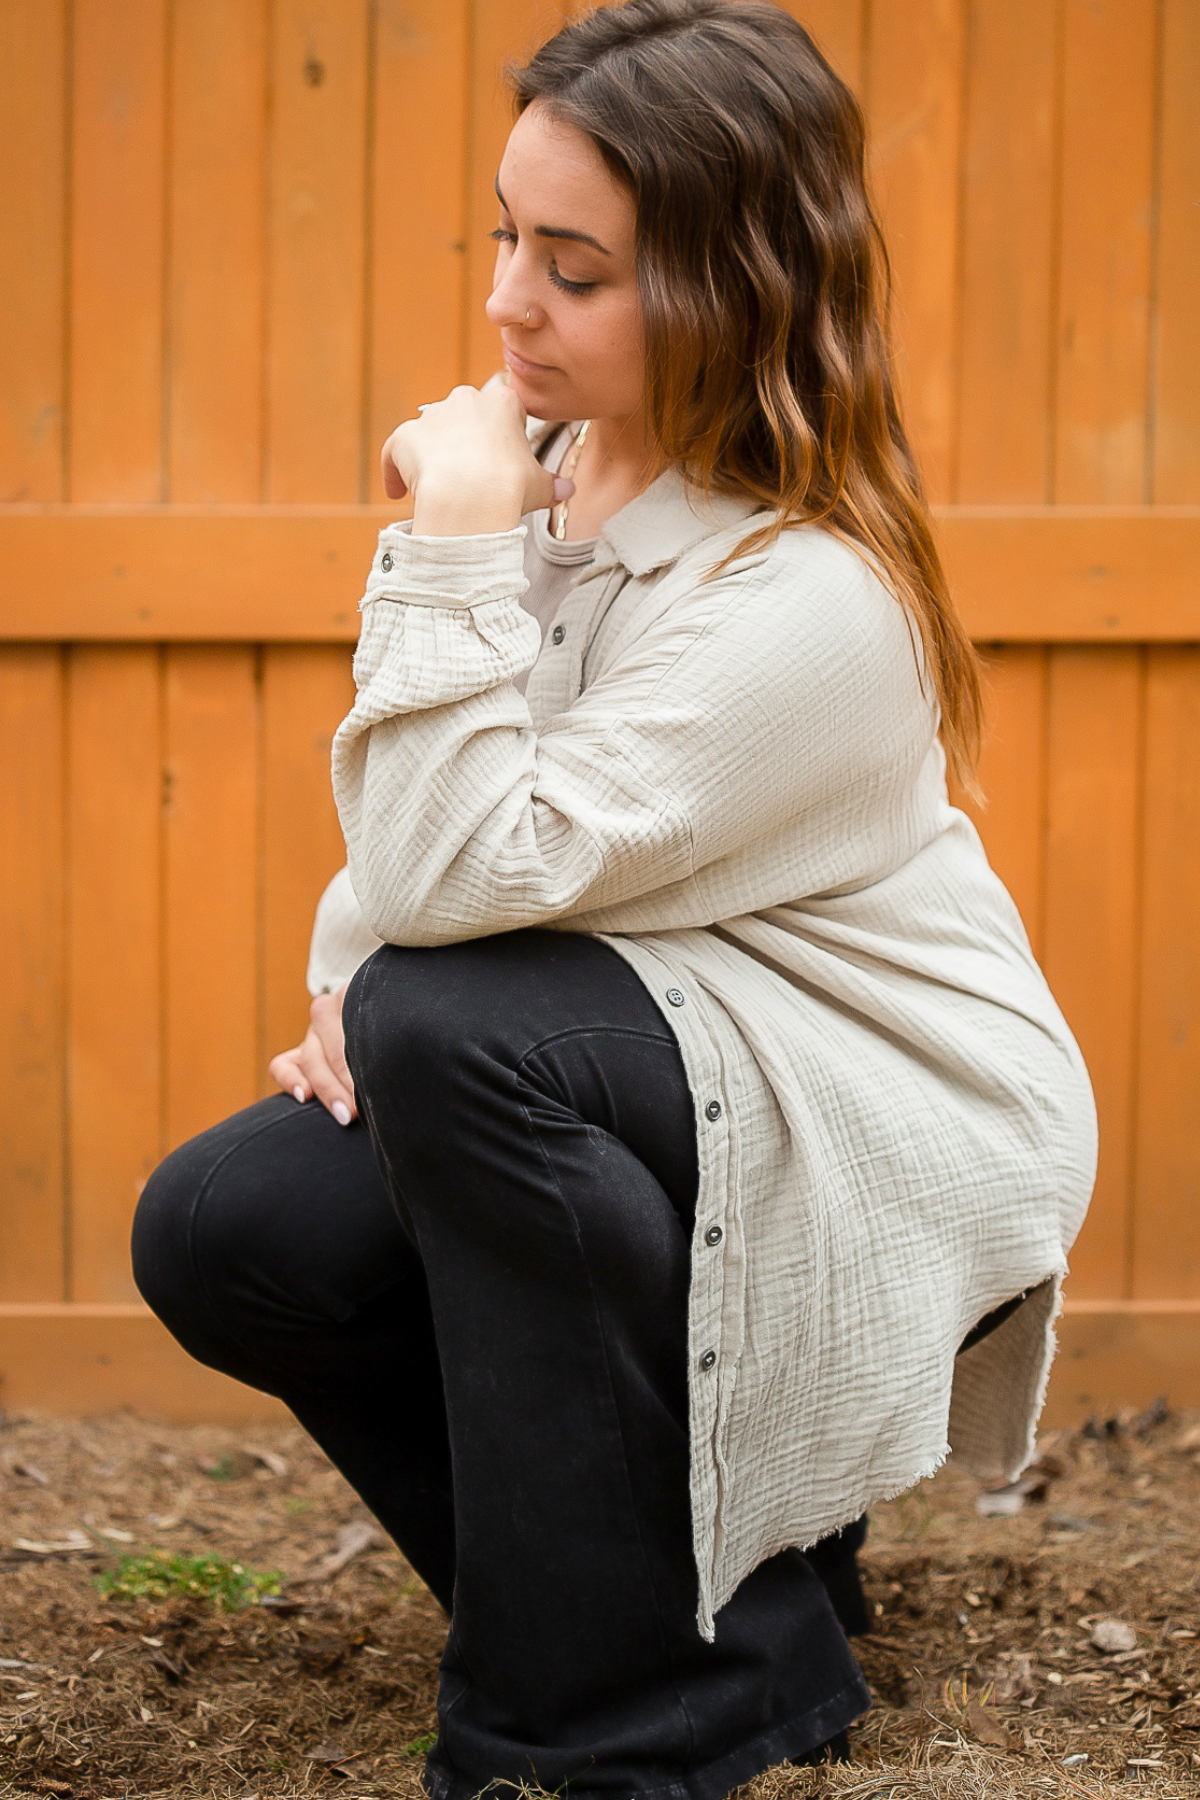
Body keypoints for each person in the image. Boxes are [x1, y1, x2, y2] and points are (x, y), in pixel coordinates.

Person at [132, 3, 1098, 1796]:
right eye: (507, 238)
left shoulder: (810, 593)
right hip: (634, 1033)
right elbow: (419, 842)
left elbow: (464, 867)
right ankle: (739, 1603)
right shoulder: (557, 486)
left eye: (574, 271)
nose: (508, 305)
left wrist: (443, 551)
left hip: (873, 1092)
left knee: (460, 1032)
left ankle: (616, 1723)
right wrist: (350, 977)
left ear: (734, 289)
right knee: (225, 1224)